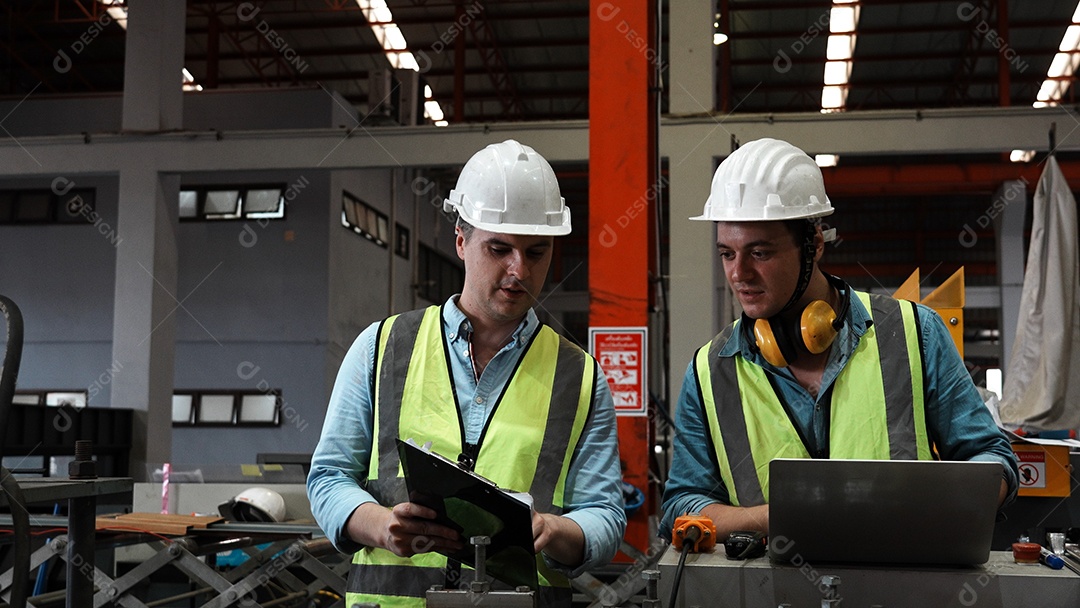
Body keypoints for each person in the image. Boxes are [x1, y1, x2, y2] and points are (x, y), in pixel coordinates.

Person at [307, 139, 626, 607]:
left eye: (536, 253)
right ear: (461, 240)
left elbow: (604, 515)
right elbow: (329, 475)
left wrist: (554, 529)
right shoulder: (381, 349)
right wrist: (380, 525)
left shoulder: (579, 376)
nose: (519, 270)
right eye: (500, 249)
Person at [660, 138, 1019, 539]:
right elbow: (684, 503)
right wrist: (788, 515)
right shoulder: (711, 371)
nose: (739, 274)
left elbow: (992, 459)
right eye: (728, 253)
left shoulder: (915, 334)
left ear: (813, 246)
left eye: (759, 253)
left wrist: (936, 507)